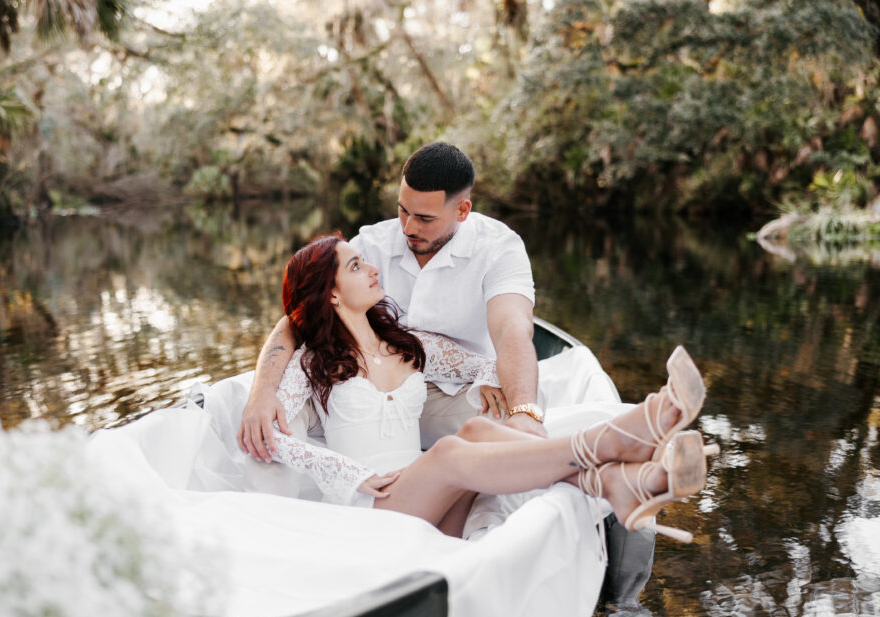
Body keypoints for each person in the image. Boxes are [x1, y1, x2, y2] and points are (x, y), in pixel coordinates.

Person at [266, 235, 717, 540]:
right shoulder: (311, 364)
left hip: (435, 506)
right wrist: (351, 475)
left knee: (478, 431)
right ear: (331, 293)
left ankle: (623, 480)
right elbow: (280, 439)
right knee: (445, 451)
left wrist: (485, 380)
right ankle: (624, 443)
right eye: (355, 265)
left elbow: (484, 363)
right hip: (374, 512)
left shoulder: (407, 345)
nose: (371, 269)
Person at [239, 142, 585, 462]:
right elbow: (299, 318)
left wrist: (524, 410)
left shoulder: (498, 248)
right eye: (403, 210)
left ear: (463, 210)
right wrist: (261, 393)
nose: (407, 226)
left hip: (457, 393)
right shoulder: (371, 244)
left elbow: (513, 328)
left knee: (512, 428)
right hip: (363, 385)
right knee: (277, 411)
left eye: (424, 218)